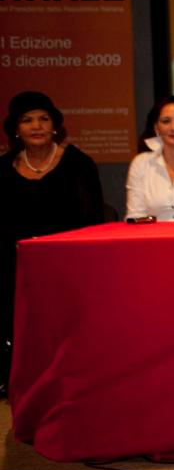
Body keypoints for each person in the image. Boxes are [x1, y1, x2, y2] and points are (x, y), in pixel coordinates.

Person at [1, 91, 105, 397]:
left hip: (67, 261)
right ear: (16, 129)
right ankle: (19, 377)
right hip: (15, 262)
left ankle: (71, 377)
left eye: (43, 119)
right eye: (27, 120)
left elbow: (91, 220)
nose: (36, 126)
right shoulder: (3, 168)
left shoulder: (79, 165)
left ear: (55, 125)